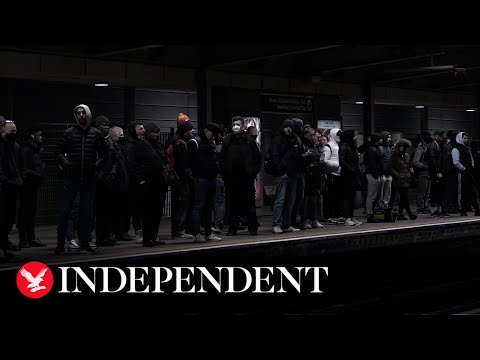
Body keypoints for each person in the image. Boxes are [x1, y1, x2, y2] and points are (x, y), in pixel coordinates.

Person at [54, 104, 106, 254]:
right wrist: (67, 164)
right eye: (78, 113)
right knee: (65, 212)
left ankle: (85, 243)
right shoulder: (69, 133)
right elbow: (57, 152)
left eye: (83, 113)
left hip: (88, 178)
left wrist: (95, 166)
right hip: (71, 178)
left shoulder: (96, 134)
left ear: (88, 114)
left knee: (86, 213)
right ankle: (60, 244)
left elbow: (104, 154)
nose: (81, 115)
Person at [17, 126, 47, 248]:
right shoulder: (27, 149)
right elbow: (24, 169)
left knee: (31, 212)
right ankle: (24, 239)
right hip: (27, 185)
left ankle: (30, 238)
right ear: (32, 136)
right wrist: (38, 173)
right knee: (25, 212)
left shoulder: (34, 149)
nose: (41, 137)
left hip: (33, 184)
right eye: (39, 135)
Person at [0, 117, 22, 259]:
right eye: (11, 131)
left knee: (7, 218)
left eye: (15, 131)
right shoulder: (4, 146)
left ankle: (4, 246)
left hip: (10, 186)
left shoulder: (12, 146)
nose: (13, 133)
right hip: (4, 186)